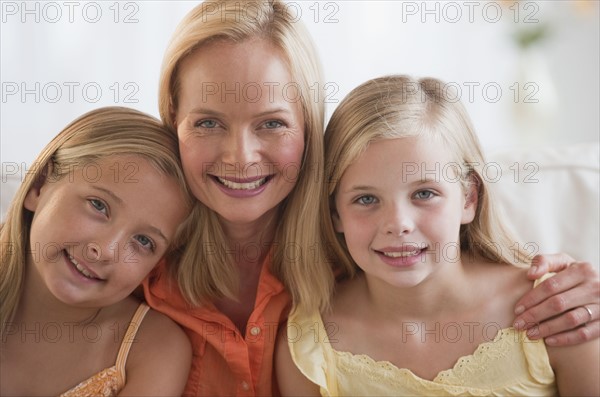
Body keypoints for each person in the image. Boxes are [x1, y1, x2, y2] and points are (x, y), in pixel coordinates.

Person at [142, 1, 599, 395]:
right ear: (172, 121)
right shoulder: (131, 257)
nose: (240, 156)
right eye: (207, 122)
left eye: (272, 122)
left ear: (307, 128)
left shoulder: (355, 257)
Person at [275, 75, 600, 396]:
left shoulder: (557, 308)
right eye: (366, 199)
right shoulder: (311, 345)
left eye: (424, 194)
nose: (398, 223)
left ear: (469, 198)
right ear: (335, 214)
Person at [0, 107, 193, 396]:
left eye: (143, 241)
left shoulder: (152, 351)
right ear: (39, 186)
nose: (105, 250)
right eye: (98, 205)